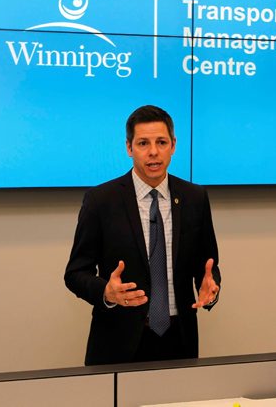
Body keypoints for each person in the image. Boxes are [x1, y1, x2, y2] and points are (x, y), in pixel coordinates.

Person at [64, 105, 221, 365]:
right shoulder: (101, 200)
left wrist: (211, 286)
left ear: (173, 145)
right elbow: (75, 273)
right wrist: (106, 292)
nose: (153, 152)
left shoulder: (195, 198)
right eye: (143, 143)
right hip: (118, 342)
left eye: (161, 142)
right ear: (129, 148)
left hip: (179, 339)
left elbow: (208, 265)